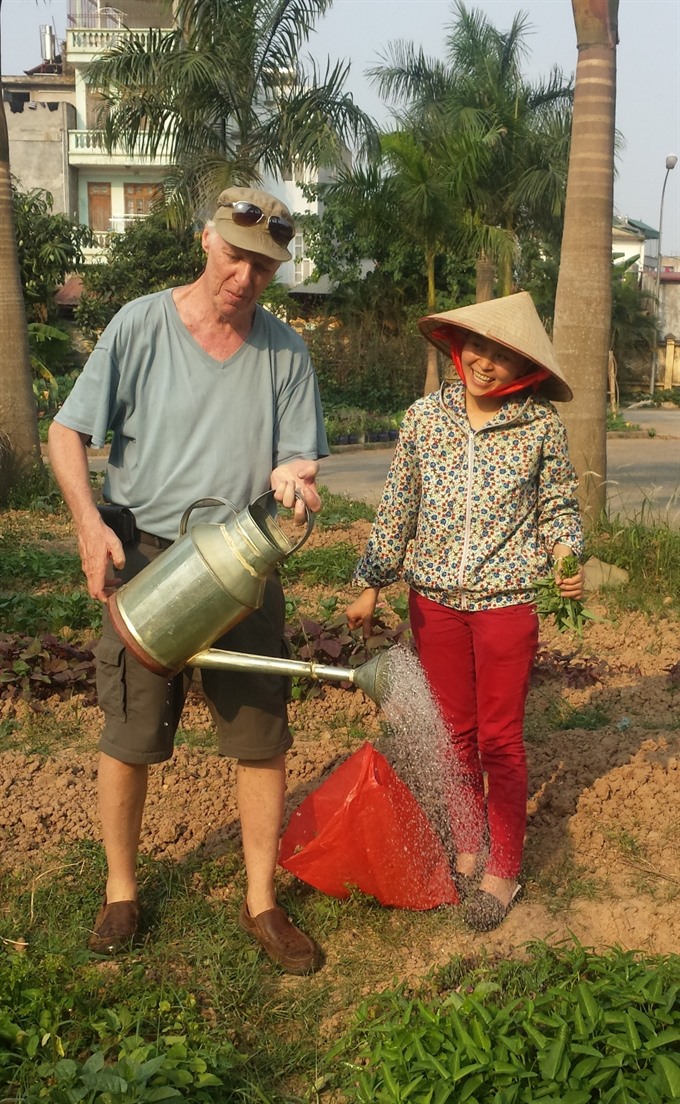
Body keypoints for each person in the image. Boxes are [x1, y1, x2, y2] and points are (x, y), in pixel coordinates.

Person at [48, 185, 329, 973]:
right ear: (207, 241)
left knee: (261, 737)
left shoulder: (285, 352)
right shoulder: (139, 324)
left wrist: (295, 480)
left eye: (264, 269)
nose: (245, 280)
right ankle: (121, 891)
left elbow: (298, 457)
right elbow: (66, 432)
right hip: (145, 558)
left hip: (241, 559)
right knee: (130, 735)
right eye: (236, 258)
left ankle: (263, 903)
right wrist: (89, 527)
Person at [345, 292, 585, 932]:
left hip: (506, 603)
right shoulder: (425, 419)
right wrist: (370, 582)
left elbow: (559, 505)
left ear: (525, 368)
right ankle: (468, 842)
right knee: (453, 734)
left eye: (504, 356)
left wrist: (566, 554)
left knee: (499, 741)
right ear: (458, 345)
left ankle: (503, 869)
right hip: (433, 605)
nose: (486, 363)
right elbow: (400, 506)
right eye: (479, 347)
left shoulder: (539, 427)